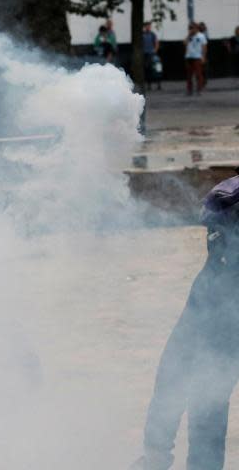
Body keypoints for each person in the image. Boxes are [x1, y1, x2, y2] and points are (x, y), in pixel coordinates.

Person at [132, 174, 239, 470]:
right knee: (173, 377)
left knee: (207, 399)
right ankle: (155, 458)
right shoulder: (228, 199)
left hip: (228, 318)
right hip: (206, 302)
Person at [185, 22, 209, 96]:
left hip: (197, 57)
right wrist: (189, 35)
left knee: (198, 74)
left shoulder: (201, 36)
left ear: (196, 28)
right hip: (189, 56)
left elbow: (204, 47)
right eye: (190, 28)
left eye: (192, 28)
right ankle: (189, 90)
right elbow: (184, 43)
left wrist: (203, 57)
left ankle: (199, 89)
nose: (191, 29)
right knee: (189, 75)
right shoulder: (189, 36)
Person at [142, 21, 162, 91]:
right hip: (145, 54)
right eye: (147, 26)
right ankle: (149, 85)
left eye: (149, 26)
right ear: (145, 27)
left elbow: (156, 43)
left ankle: (159, 84)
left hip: (151, 54)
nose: (148, 27)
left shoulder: (152, 34)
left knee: (156, 69)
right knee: (147, 70)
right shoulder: (142, 35)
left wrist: (154, 51)